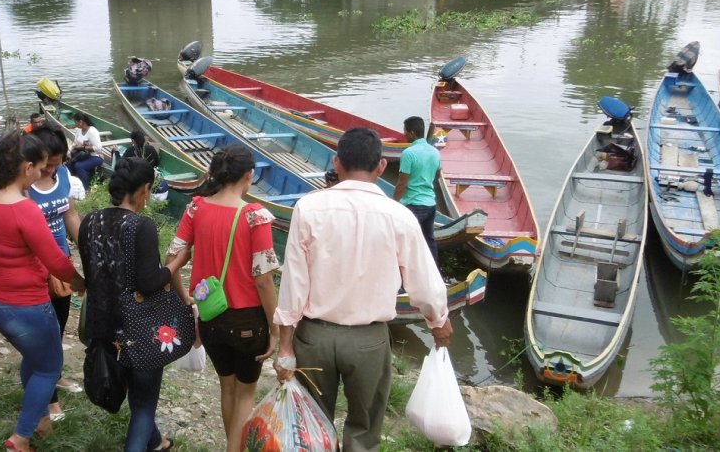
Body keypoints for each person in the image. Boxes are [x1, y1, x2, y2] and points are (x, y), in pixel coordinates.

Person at [273, 128, 452, 452]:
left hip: (315, 338)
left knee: (312, 425)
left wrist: (285, 347)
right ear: (381, 166)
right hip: (369, 341)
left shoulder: (308, 209)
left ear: (336, 163)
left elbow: (294, 284)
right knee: (365, 429)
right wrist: (438, 321)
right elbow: (424, 285)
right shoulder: (400, 217)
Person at [0, 133, 85, 452]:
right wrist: (82, 283)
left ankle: (40, 417)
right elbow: (55, 261)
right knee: (49, 367)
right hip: (27, 304)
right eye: (40, 168)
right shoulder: (24, 210)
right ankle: (21, 437)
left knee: (35, 358)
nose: (43, 174)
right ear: (26, 167)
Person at [166, 146, 280, 452]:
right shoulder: (255, 216)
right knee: (245, 393)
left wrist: (187, 298)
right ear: (248, 176)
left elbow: (172, 256)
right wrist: (275, 328)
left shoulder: (196, 208)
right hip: (247, 320)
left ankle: (232, 446)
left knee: (227, 387)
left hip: (209, 317)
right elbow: (264, 278)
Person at [77, 158, 180, 452]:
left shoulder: (90, 221)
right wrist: (175, 266)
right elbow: (149, 283)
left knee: (137, 394)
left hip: (102, 328)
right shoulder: (141, 227)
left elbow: (93, 274)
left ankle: (156, 441)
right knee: (145, 402)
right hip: (139, 331)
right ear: (144, 190)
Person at [28, 127, 85, 414]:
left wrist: (87, 248)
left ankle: (54, 375)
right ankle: (47, 397)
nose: (51, 169)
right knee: (43, 332)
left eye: (57, 162)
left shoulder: (62, 175)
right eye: (47, 163)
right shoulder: (24, 182)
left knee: (59, 325)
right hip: (33, 268)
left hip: (60, 264)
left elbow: (70, 214)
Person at [393, 115, 441, 262]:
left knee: (404, 241)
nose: (404, 134)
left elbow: (402, 183)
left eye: (405, 131)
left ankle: (405, 276)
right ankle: (434, 273)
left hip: (414, 204)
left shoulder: (409, 153)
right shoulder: (435, 151)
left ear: (412, 133)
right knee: (429, 240)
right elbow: (437, 176)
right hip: (431, 204)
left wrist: (393, 203)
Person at [66, 112, 104, 187]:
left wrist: (83, 147)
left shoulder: (92, 131)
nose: (75, 124)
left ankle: (85, 187)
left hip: (95, 156)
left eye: (75, 122)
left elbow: (98, 148)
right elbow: (75, 143)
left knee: (79, 166)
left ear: (80, 122)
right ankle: (72, 185)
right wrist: (69, 151)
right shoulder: (79, 131)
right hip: (80, 155)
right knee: (69, 164)